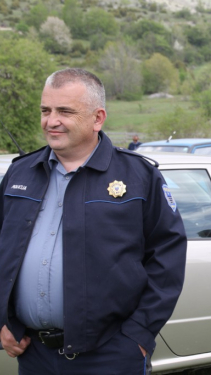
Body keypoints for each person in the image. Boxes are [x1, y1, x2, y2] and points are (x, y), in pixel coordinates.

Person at [0, 68, 187, 375]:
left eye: (65, 111)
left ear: (97, 118)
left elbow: (167, 257)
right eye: (45, 110)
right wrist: (3, 322)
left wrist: (138, 335)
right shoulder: (20, 174)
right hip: (34, 355)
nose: (51, 121)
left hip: (111, 355)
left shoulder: (138, 177)